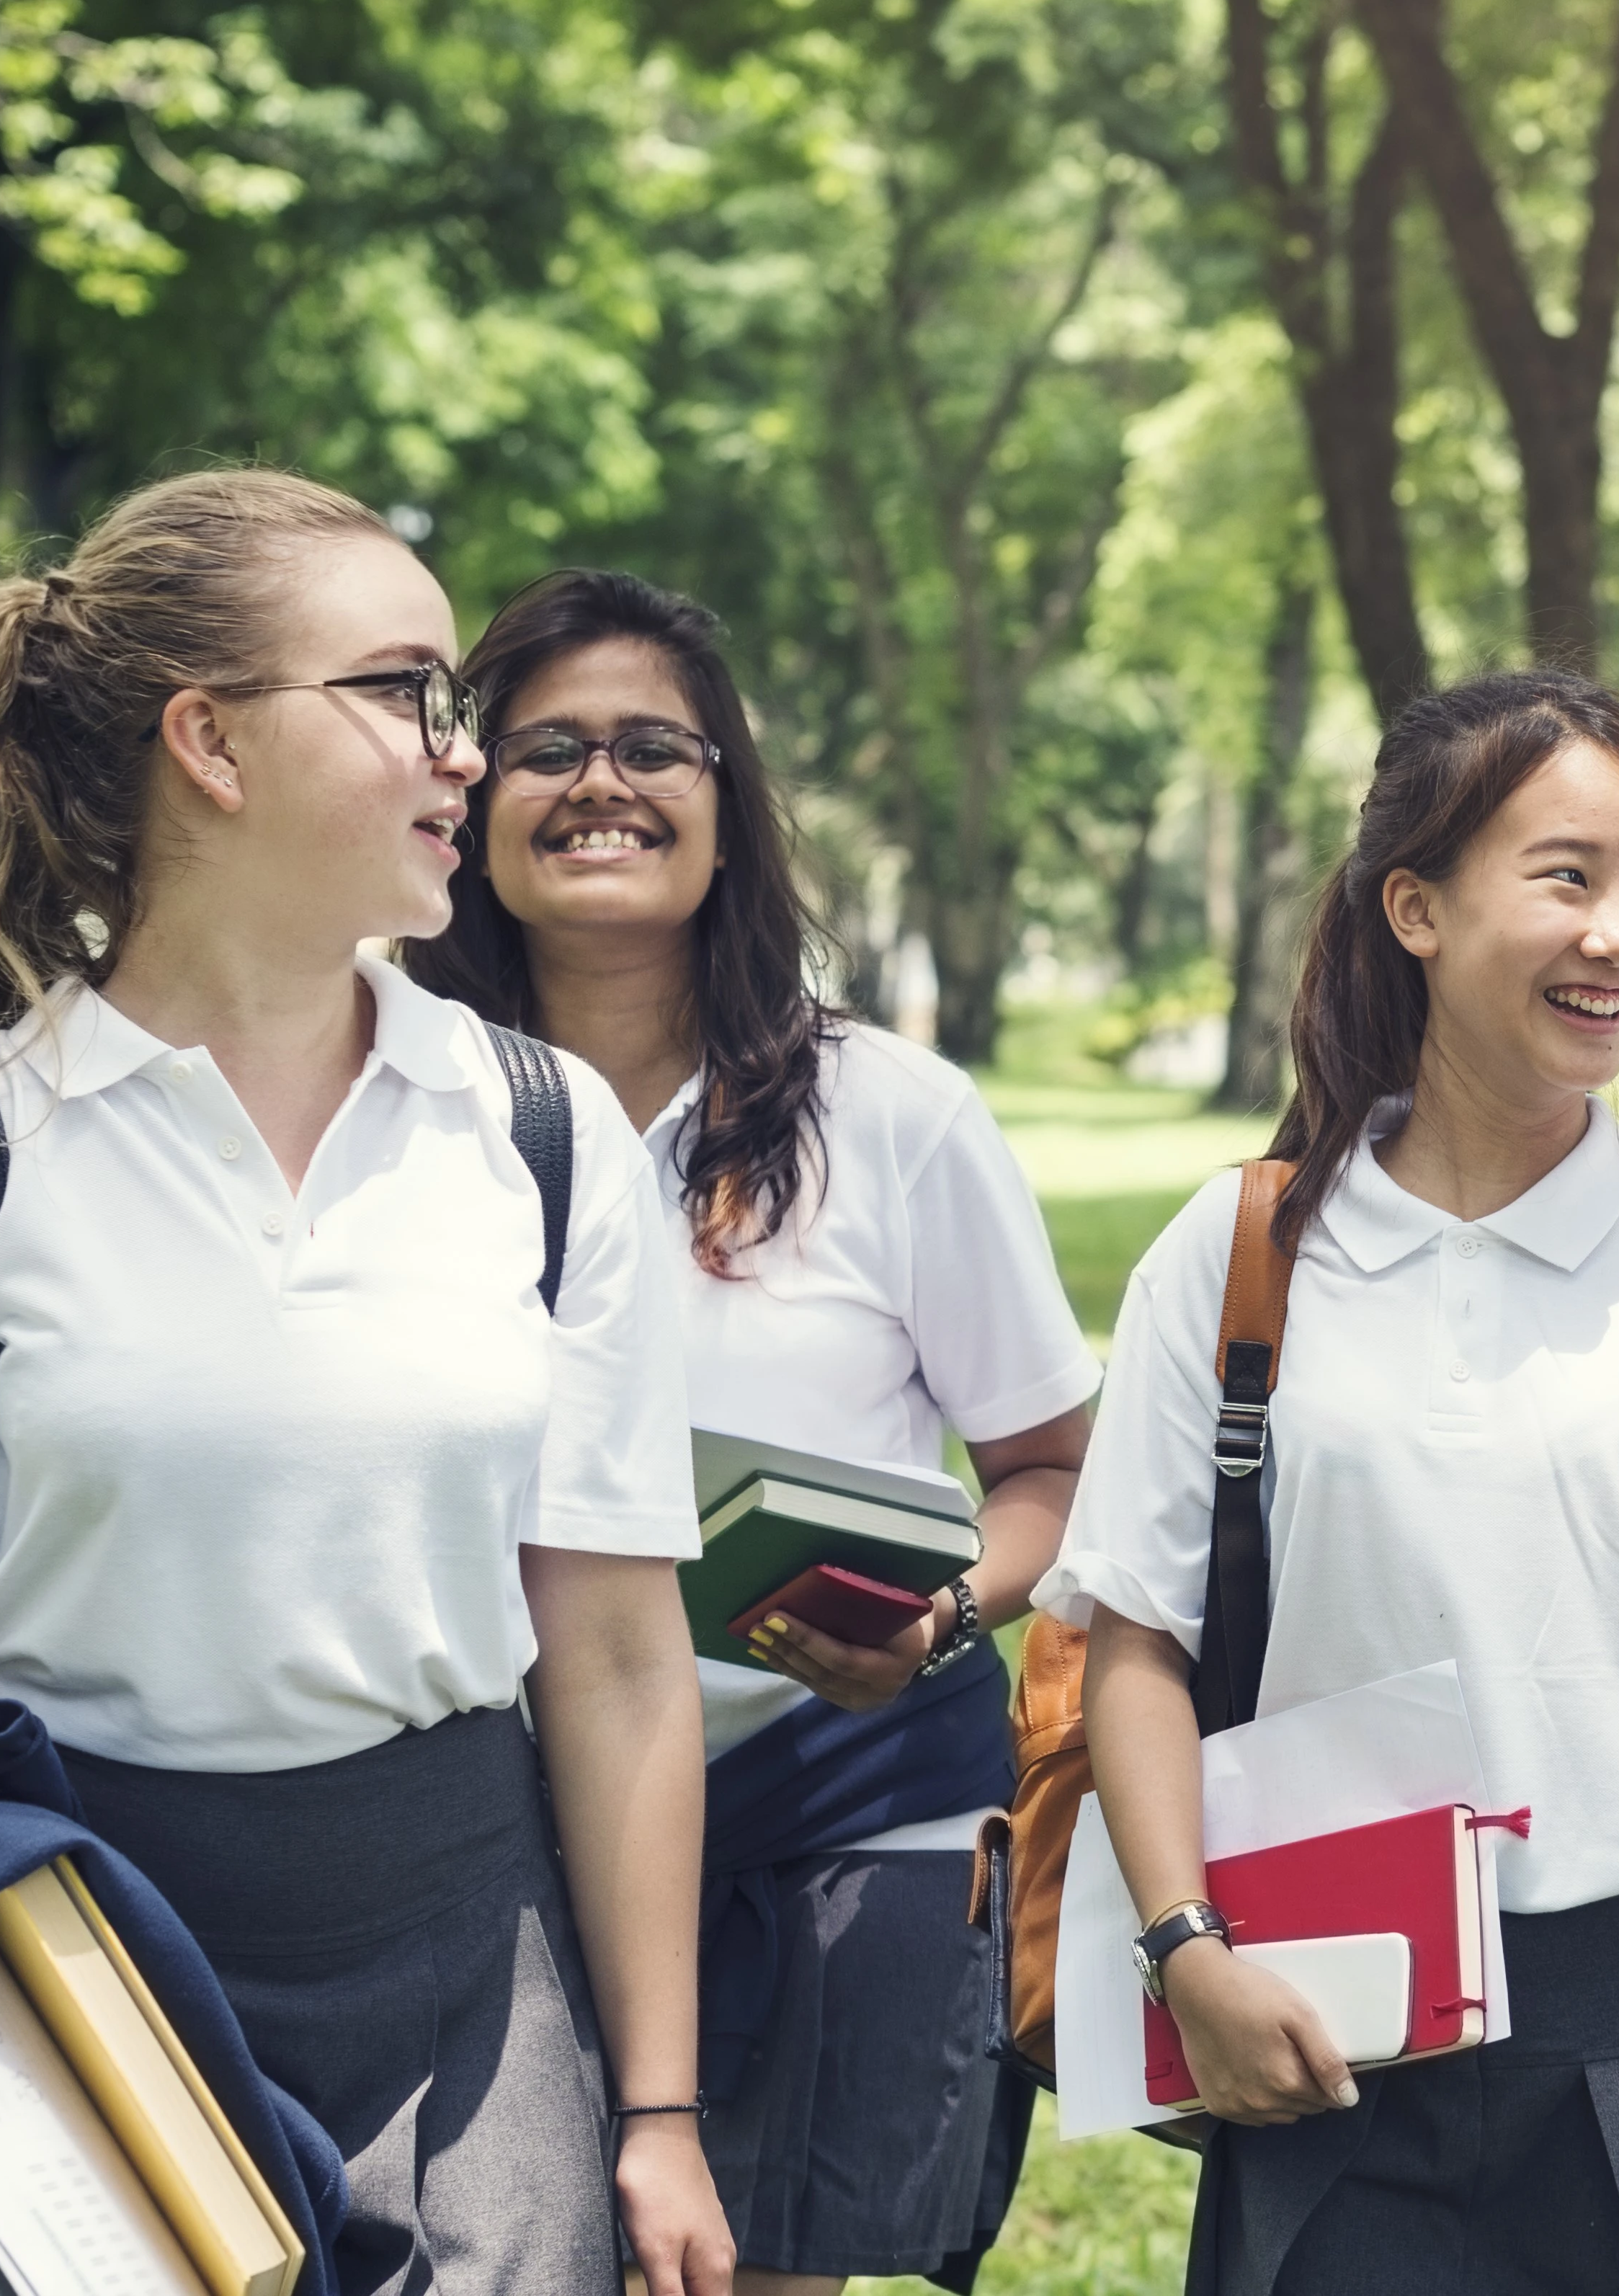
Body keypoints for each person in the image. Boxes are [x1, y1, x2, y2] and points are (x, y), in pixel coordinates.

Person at [0, 471, 738, 2295]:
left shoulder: (544, 1137)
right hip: (56, 1961)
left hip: (462, 1964)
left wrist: (658, 2111)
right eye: (405, 691)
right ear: (207, 740)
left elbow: (612, 1657)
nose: (468, 752)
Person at [1046, 672, 1619, 2296]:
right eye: (1568, 877)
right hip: (1328, 2021)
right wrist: (1187, 1951)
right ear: (1416, 903)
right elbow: (1138, 1641)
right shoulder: (1243, 1248)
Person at [403, 569, 1096, 2296]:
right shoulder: (392, 1115)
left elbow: (1057, 1470)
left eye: (656, 745)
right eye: (545, 745)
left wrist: (935, 1617)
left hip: (846, 1803)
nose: (601, 781)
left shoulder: (896, 1117)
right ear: (469, 800)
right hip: (495, 1807)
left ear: (729, 804)